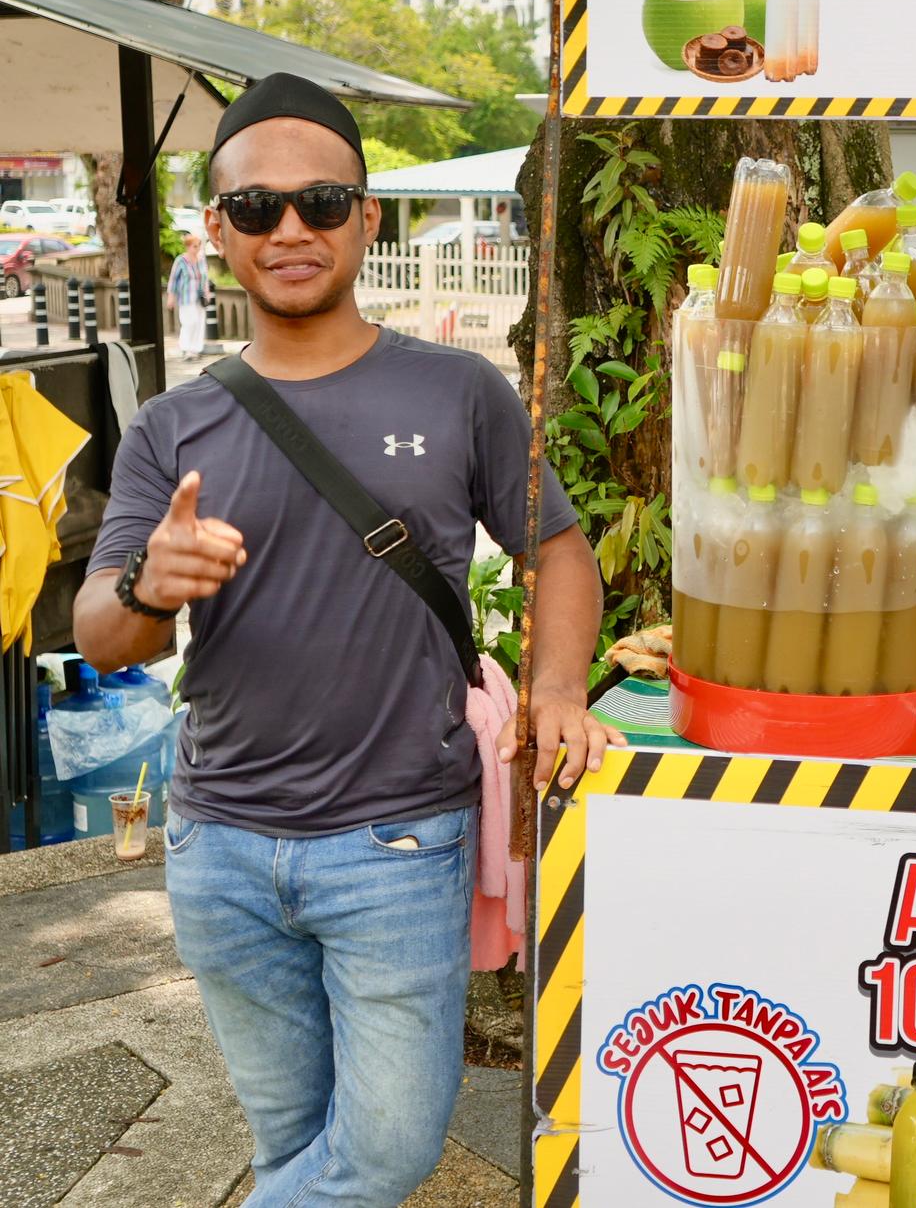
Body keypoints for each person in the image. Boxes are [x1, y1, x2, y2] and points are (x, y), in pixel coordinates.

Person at [73, 73, 624, 1206]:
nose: (289, 229)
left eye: (321, 202)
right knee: (293, 1152)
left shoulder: (459, 390)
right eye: (255, 208)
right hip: (221, 848)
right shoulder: (175, 424)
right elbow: (103, 636)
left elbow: (558, 550)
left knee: (379, 1155)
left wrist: (560, 686)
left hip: (397, 848)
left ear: (366, 218)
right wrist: (146, 581)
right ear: (215, 230)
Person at [167, 229, 209, 359]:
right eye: (195, 246)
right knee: (189, 322)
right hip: (186, 297)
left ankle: (196, 349)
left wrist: (207, 292)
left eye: (198, 246)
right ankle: (186, 348)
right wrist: (171, 297)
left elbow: (205, 277)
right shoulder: (180, 260)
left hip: (199, 297)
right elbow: (173, 279)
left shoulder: (201, 259)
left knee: (199, 322)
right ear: (188, 246)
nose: (197, 249)